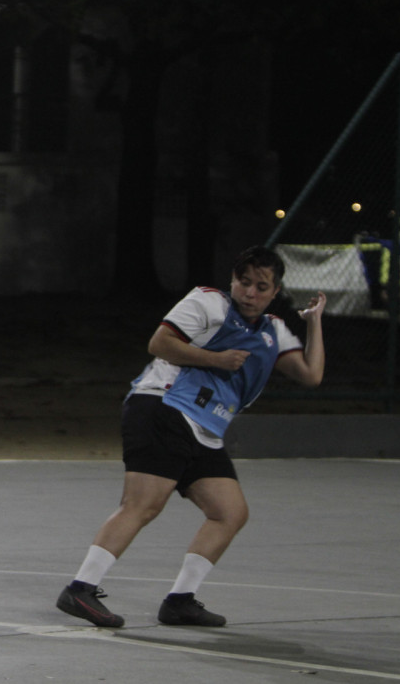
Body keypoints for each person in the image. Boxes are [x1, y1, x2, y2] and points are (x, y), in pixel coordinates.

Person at [56, 245, 326, 628]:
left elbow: (312, 375)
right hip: (164, 406)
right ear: (232, 281)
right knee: (143, 504)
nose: (250, 292)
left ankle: (180, 601)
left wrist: (314, 322)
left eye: (261, 286)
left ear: (275, 291)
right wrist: (217, 358)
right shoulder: (209, 303)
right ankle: (80, 588)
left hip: (206, 428)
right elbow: (159, 344)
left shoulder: (274, 332)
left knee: (229, 513)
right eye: (244, 282)